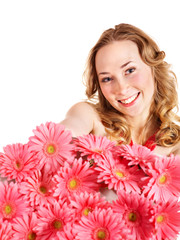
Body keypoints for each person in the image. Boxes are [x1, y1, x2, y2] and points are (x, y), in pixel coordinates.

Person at [60, 23, 180, 157]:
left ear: (154, 68)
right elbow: (61, 134)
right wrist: (60, 143)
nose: (121, 89)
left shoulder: (176, 144)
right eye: (107, 79)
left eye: (130, 70)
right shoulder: (90, 117)